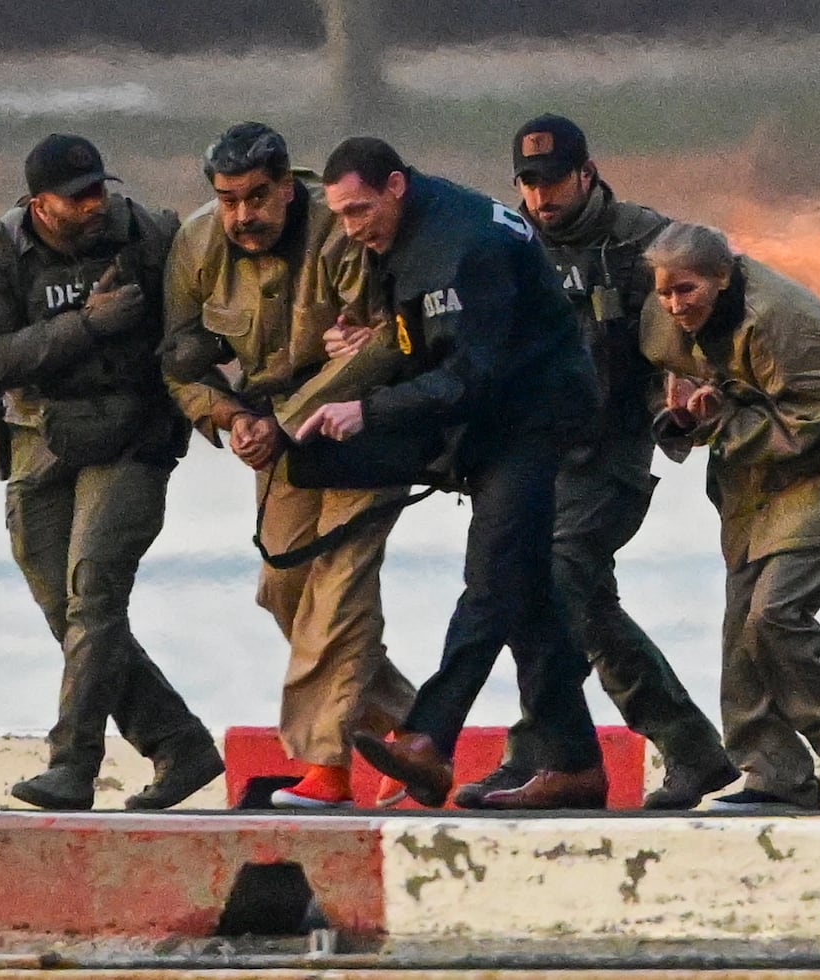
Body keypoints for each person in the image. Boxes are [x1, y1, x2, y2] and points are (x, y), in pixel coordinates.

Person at [297, 136, 607, 810]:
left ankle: (429, 739)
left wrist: (368, 410)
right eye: (340, 215)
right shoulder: (400, 236)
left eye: (359, 210)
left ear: (396, 185)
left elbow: (472, 375)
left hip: (534, 416)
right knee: (525, 595)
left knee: (491, 577)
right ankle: (576, 764)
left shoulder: (467, 245)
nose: (351, 228)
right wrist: (365, 344)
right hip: (490, 422)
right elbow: (425, 342)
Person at [454, 114, 738, 811]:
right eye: (528, 182)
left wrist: (687, 390)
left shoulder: (643, 242)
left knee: (557, 577)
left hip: (610, 450)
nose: (541, 196)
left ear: (587, 174)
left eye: (554, 180)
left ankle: (557, 751)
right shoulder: (504, 242)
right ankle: (667, 750)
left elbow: (706, 322)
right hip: (531, 453)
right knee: (551, 594)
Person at [0, 133, 222, 811]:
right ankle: (179, 743)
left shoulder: (151, 235)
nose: (94, 204)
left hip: (132, 437)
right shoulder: (0, 252)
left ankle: (72, 766)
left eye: (99, 189)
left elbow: (196, 327)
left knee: (94, 596)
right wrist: (87, 324)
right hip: (38, 439)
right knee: (64, 611)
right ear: (38, 204)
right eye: (76, 198)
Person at [161, 122, 415, 809]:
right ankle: (414, 725)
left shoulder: (340, 230)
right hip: (274, 438)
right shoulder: (197, 244)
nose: (243, 215)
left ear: (286, 187)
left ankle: (325, 769)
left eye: (256, 197)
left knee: (341, 590)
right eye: (228, 200)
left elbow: (385, 343)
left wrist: (288, 417)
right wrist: (231, 417)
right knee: (285, 588)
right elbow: (179, 361)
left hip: (364, 427)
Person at [640, 221, 820, 812]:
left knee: (776, 611)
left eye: (686, 290)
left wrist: (721, 420)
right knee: (742, 623)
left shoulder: (787, 321)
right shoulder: (662, 318)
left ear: (722, 276)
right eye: (664, 292)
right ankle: (773, 772)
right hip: (751, 479)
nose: (674, 305)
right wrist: (682, 415)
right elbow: (663, 378)